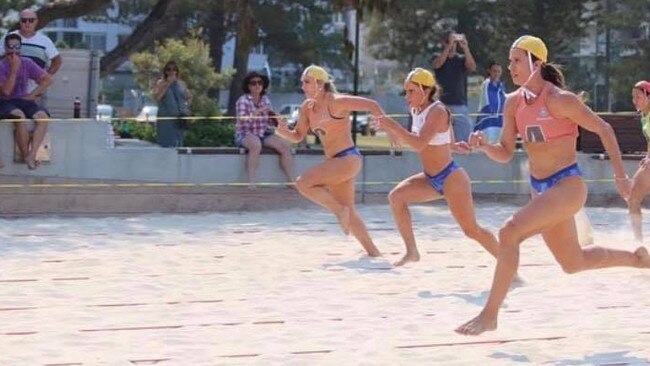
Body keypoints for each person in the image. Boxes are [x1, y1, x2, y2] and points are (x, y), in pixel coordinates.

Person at [456, 35, 650, 336]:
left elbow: (605, 129)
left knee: (509, 231)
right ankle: (638, 260)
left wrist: (619, 176)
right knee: (573, 262)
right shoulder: (512, 103)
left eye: (517, 60)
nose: (511, 67)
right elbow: (506, 152)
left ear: (537, 62)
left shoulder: (561, 100)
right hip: (541, 189)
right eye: (510, 61)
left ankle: (489, 315)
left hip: (568, 186)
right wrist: (483, 146)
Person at [371, 68, 502, 267]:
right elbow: (442, 135)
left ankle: (507, 262)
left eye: (411, 91)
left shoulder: (438, 110)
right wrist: (453, 145)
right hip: (430, 178)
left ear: (426, 91)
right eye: (406, 91)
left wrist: (391, 125)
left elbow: (419, 143)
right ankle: (411, 251)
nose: (407, 96)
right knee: (396, 198)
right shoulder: (417, 109)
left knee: (471, 230)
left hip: (451, 178)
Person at [275, 65, 382, 257]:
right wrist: (283, 132)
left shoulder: (336, 102)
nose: (303, 86)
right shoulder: (306, 108)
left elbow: (372, 105)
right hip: (337, 162)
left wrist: (385, 125)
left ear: (320, 83)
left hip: (348, 158)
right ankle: (374, 253)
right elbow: (298, 136)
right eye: (302, 82)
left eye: (306, 82)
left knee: (302, 183)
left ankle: (338, 210)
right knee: (350, 213)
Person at [0, 33, 53, 170]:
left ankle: (32, 154)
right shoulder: (1, 66)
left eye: (17, 47)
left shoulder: (27, 62)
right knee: (19, 116)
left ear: (20, 48)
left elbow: (48, 80)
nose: (14, 50)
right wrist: (14, 70)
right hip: (6, 101)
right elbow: (6, 91)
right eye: (11, 47)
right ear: (5, 48)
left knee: (43, 118)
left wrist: (33, 94)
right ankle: (25, 155)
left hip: (24, 99)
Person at [234, 71, 294, 188]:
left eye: (260, 83)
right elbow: (243, 121)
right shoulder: (243, 100)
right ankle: (251, 182)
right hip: (245, 133)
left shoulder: (265, 99)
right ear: (248, 86)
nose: (257, 85)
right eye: (253, 83)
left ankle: (290, 181)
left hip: (263, 133)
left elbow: (270, 121)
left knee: (285, 147)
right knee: (256, 145)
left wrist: (278, 120)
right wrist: (259, 110)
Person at [432, 31, 477, 142]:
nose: (453, 45)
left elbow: (472, 67)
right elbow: (437, 65)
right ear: (443, 43)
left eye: (454, 42)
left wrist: (466, 48)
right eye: (449, 42)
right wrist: (448, 47)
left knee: (463, 138)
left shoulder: (461, 59)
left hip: (459, 103)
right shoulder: (438, 57)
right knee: (441, 138)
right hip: (442, 104)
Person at [0, 9, 61, 85]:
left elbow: (57, 61)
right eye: (24, 20)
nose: (27, 23)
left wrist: (46, 76)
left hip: (35, 88)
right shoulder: (9, 37)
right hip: (11, 87)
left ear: (36, 21)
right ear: (20, 22)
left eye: (31, 20)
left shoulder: (45, 40)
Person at [627, 80, 650, 242]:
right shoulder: (644, 115)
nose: (635, 100)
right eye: (633, 97)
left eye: (638, 96)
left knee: (633, 198)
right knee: (633, 198)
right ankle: (638, 241)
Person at [152, 60, 191, 147]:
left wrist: (187, 110)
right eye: (169, 69)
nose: (171, 71)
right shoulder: (160, 83)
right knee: (167, 142)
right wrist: (168, 84)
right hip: (166, 117)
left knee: (179, 142)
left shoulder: (182, 84)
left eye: (174, 69)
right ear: (165, 71)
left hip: (180, 117)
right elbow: (157, 98)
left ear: (177, 71)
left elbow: (188, 98)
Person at [474, 61, 506, 143]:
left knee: (498, 144)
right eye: (494, 71)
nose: (496, 73)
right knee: (487, 143)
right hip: (488, 118)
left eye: (499, 71)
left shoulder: (501, 86)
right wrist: (489, 109)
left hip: (499, 119)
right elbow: (486, 98)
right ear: (489, 71)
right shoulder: (486, 83)